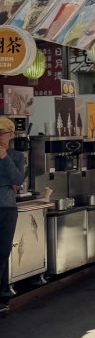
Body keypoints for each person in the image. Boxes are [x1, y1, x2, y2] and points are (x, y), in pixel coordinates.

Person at [0, 117, 23, 314]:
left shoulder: (15, 156)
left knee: (3, 252)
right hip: (6, 200)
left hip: (7, 208)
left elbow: (17, 179)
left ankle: (3, 296)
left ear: (11, 135)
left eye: (1, 133)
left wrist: (4, 158)